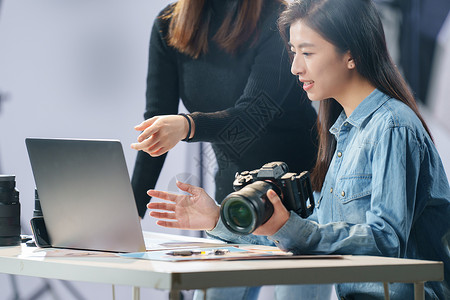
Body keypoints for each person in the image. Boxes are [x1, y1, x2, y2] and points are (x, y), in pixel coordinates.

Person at [145, 0, 450, 299]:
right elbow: (313, 230)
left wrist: (292, 230)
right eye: (293, 52)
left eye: (307, 52)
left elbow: (386, 241)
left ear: (351, 54)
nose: (295, 67)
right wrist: (217, 219)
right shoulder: (344, 133)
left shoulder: (392, 127)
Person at [130, 0, 318, 219]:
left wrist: (188, 125)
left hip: (298, 196)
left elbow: (251, 118)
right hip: (233, 198)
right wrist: (131, 213)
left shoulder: (278, 19)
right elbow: (154, 130)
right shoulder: (169, 24)